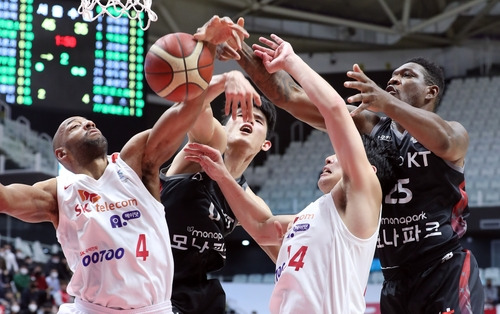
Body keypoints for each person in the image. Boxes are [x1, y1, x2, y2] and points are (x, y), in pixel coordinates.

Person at [0, 16, 249, 313]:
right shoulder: (57, 193)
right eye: (73, 126)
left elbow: (186, 111)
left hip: (154, 309)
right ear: (62, 155)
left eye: (87, 120)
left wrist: (204, 47)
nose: (87, 122)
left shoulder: (134, 164)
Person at [232, 37, 484, 312]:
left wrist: (386, 102)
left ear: (430, 92)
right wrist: (238, 49)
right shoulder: (368, 125)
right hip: (394, 277)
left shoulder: (452, 131)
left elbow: (446, 141)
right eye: (393, 75)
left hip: (443, 266)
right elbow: (288, 96)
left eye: (407, 75)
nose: (394, 79)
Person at [184, 34, 399, 313]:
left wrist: (292, 62)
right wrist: (222, 175)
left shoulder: (363, 192)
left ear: (367, 170)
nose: (329, 156)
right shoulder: (312, 215)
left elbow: (335, 111)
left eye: (337, 156)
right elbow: (263, 230)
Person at [158, 69, 287, 313]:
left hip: (198, 294)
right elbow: (193, 103)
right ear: (223, 128)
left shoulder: (250, 201)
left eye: (257, 120)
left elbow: (285, 258)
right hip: (154, 283)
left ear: (265, 145)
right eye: (240, 114)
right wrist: (229, 77)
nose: (248, 119)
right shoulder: (205, 148)